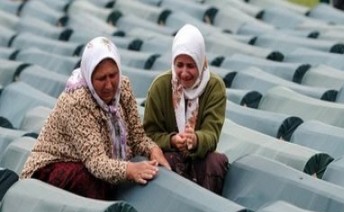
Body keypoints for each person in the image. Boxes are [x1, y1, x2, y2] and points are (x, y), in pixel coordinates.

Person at [20, 36, 171, 200]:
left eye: (113, 75)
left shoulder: (123, 88)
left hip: (91, 161)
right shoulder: (77, 102)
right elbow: (96, 162)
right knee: (92, 182)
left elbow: (137, 137)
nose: (109, 85)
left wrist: (152, 149)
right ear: (89, 76)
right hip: (51, 168)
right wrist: (130, 170)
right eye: (101, 79)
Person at [143, 24, 229, 195]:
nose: (184, 73)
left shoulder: (214, 87)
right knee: (160, 164)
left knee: (215, 162)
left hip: (200, 155)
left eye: (190, 66)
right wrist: (172, 140)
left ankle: (209, 206)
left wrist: (196, 139)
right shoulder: (160, 86)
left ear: (201, 62)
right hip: (171, 154)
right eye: (179, 65)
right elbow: (148, 135)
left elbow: (212, 134)